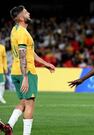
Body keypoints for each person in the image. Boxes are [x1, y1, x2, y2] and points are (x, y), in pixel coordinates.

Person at [0, 5, 55, 135]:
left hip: (15, 71)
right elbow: (23, 54)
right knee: (30, 104)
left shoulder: (15, 30)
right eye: (26, 12)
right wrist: (25, 77)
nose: (29, 13)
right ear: (20, 17)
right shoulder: (23, 33)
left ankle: (9, 125)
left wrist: (46, 63)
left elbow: (30, 53)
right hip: (27, 72)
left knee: (23, 102)